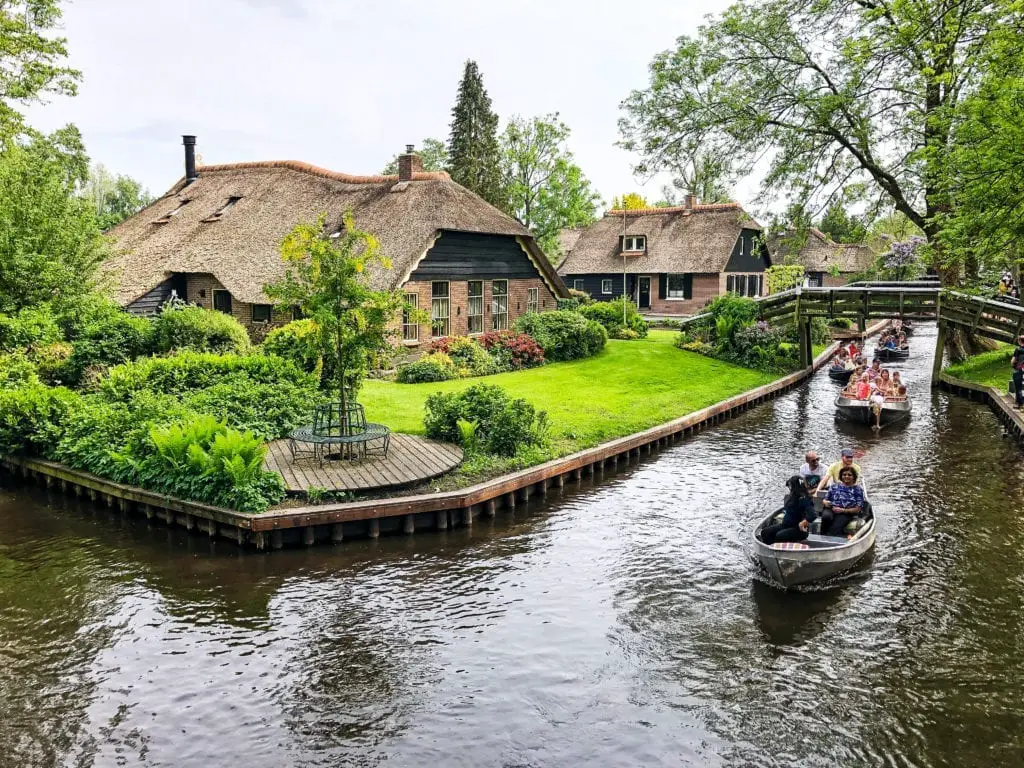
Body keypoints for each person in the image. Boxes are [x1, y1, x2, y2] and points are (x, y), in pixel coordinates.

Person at [761, 475, 817, 545]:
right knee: (765, 532)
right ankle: (769, 547)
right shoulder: (792, 497)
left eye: (790, 486)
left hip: (799, 530)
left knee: (780, 535)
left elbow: (813, 515)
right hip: (786, 525)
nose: (789, 488)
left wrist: (803, 523)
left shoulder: (804, 499)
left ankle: (779, 550)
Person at [821, 466, 865, 537]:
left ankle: (833, 537)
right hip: (831, 508)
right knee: (826, 517)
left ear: (854, 477)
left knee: (834, 529)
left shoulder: (858, 490)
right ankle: (822, 535)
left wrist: (843, 510)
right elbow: (825, 499)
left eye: (849, 475)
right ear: (841, 476)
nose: (846, 476)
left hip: (846, 512)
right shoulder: (834, 486)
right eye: (844, 475)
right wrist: (825, 502)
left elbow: (858, 509)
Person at [1012, 334, 1024, 409]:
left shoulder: (1018, 350)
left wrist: (1013, 365)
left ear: (1020, 341)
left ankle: (1019, 404)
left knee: (1018, 387)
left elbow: (1013, 361)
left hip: (1019, 370)